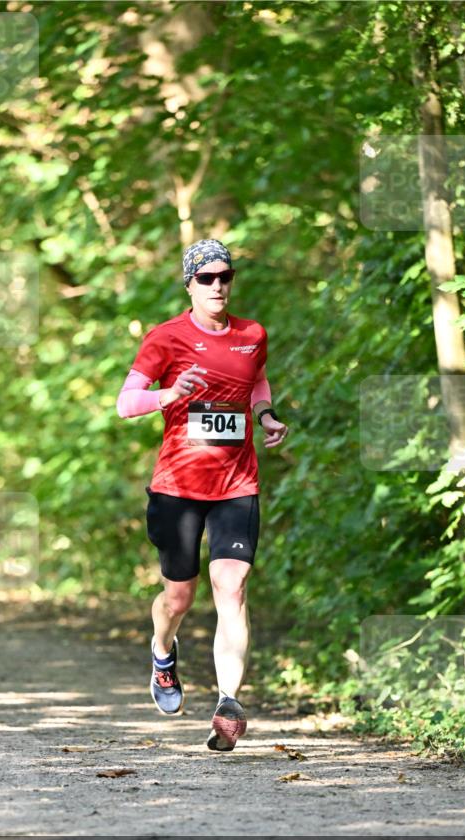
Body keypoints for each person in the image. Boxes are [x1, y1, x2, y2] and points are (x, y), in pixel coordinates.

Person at [117, 239, 288, 751]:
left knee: (231, 585)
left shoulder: (252, 334)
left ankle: (227, 703)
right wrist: (166, 395)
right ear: (189, 283)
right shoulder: (164, 339)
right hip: (178, 487)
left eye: (225, 276)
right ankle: (162, 652)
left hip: (237, 482)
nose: (218, 286)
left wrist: (266, 415)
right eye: (207, 278)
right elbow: (125, 403)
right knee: (179, 596)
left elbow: (256, 381)